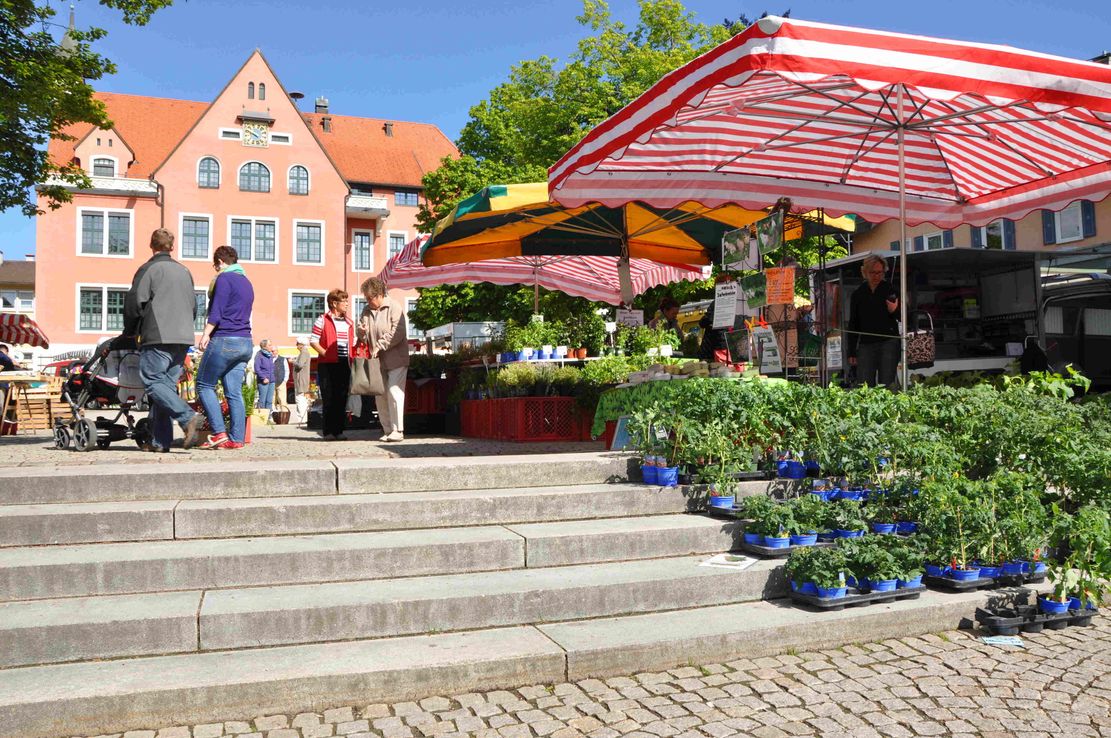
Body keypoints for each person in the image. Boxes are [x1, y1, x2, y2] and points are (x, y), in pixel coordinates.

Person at [123, 228, 203, 452]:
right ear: (172, 246)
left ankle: (187, 417)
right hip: (183, 335)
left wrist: (129, 331)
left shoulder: (149, 269)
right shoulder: (185, 271)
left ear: (152, 245)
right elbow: (194, 306)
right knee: (164, 388)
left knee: (152, 382)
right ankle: (161, 442)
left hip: (157, 334)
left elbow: (134, 303)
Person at [195, 245, 254, 449]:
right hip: (246, 342)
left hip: (225, 339)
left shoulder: (224, 279)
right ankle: (236, 439)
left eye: (215, 266)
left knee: (204, 384)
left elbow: (217, 311)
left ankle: (219, 431)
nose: (215, 269)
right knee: (234, 391)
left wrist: (205, 334)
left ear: (220, 262)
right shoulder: (247, 282)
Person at [357, 277, 411, 442]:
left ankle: (398, 430)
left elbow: (398, 331)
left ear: (379, 294)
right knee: (380, 395)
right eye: (366, 298)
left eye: (369, 298)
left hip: (396, 359)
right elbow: (362, 338)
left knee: (394, 391)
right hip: (377, 361)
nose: (367, 301)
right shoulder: (366, 311)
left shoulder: (394, 306)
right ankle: (387, 430)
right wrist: (361, 332)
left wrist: (380, 344)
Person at [847, 254, 900, 389]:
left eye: (880, 273)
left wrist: (894, 310)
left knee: (887, 384)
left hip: (888, 342)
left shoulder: (890, 289)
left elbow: (904, 317)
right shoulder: (858, 293)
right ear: (865, 272)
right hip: (866, 343)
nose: (876, 276)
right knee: (864, 384)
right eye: (873, 273)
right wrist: (851, 351)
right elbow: (853, 323)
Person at [310, 289, 355, 441]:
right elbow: (313, 340)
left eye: (347, 300)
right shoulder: (322, 320)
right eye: (344, 301)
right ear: (334, 303)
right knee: (328, 397)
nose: (347, 303)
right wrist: (326, 354)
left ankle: (339, 431)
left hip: (344, 363)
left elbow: (351, 342)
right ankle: (328, 432)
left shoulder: (349, 322)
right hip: (327, 364)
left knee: (342, 397)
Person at [292, 337, 312, 425]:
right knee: (301, 398)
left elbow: (299, 365)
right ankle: (302, 418)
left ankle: (302, 419)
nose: (296, 345)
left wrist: (293, 361)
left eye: (297, 343)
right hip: (301, 378)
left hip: (301, 379)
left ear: (301, 344)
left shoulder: (304, 352)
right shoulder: (304, 352)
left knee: (300, 398)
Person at [253, 339, 275, 414]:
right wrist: (263, 378)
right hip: (263, 381)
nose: (271, 346)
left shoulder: (270, 355)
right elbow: (257, 368)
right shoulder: (259, 355)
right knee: (262, 400)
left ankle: (268, 417)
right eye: (269, 345)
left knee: (269, 400)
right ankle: (261, 417)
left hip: (272, 380)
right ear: (264, 346)